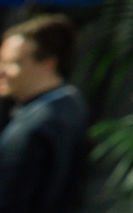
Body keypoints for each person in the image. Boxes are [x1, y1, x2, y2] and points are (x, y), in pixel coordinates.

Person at [0, 13, 86, 213]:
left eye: (14, 63)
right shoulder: (72, 104)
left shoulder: (36, 124)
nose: (2, 71)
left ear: (47, 64)